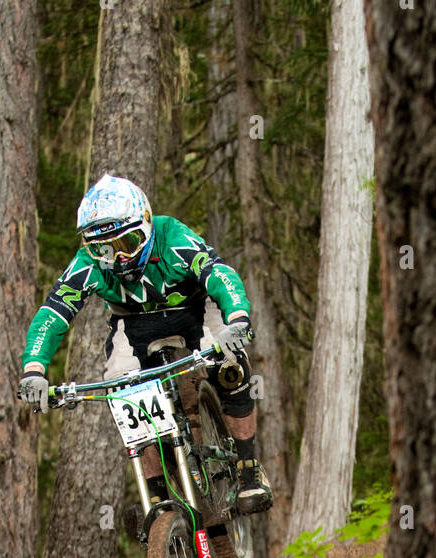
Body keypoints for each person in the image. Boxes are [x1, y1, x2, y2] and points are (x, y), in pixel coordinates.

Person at [18, 174, 273, 515]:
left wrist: (238, 319)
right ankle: (157, 498)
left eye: (128, 243)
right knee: (125, 392)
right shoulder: (88, 265)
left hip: (194, 309)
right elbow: (53, 313)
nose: (118, 259)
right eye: (104, 249)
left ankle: (247, 466)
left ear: (148, 224)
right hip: (135, 324)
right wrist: (34, 370)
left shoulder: (173, 237)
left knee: (230, 367)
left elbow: (218, 274)